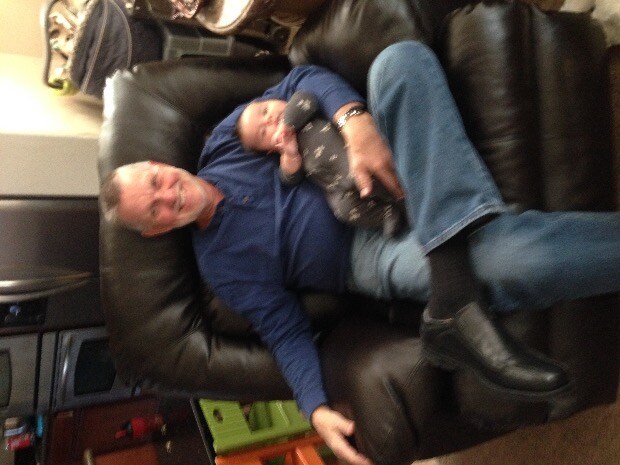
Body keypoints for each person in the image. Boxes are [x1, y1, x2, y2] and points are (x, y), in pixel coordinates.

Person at [100, 41, 620, 465]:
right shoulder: (221, 267)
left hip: (381, 162)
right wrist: (313, 408)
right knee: (505, 261)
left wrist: (355, 123)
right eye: (156, 209)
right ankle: (456, 275)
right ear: (157, 230)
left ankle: (453, 300)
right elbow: (285, 331)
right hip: (369, 254)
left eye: (157, 181)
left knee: (399, 62)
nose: (169, 195)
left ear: (159, 163)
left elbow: (301, 82)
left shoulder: (223, 142)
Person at [236, 90, 407, 237]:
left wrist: (287, 125)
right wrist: (290, 154)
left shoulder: (298, 109)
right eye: (263, 132)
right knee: (343, 210)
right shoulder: (285, 155)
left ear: (276, 100)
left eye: (265, 110)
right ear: (269, 150)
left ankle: (402, 200)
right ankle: (385, 214)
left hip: (353, 154)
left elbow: (307, 99)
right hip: (340, 188)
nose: (269, 120)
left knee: (382, 179)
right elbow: (289, 178)